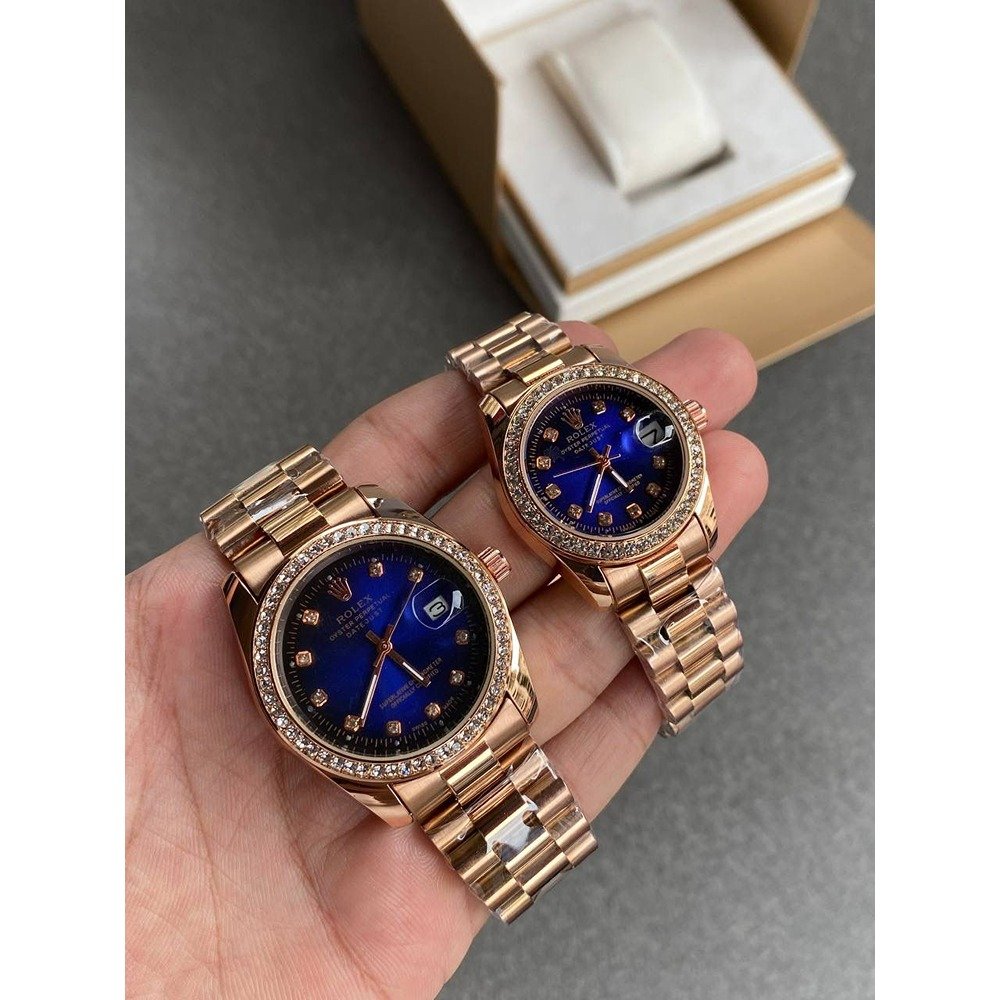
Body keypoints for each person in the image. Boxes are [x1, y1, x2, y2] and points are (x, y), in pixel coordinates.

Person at [126, 323, 767, 998]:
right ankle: (525, 857)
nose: (383, 647)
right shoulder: (279, 649)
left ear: (480, 572)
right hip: (411, 739)